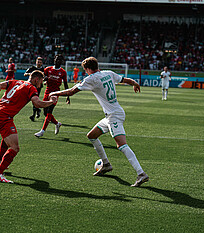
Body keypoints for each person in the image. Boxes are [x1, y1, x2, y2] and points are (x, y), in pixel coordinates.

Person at [49, 57, 149, 187]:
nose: (86, 73)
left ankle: (141, 174)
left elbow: (72, 91)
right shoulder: (108, 73)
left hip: (114, 116)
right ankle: (106, 164)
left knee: (121, 145)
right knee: (92, 136)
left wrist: (55, 93)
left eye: (85, 70)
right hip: (112, 114)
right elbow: (125, 80)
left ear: (88, 69)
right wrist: (135, 83)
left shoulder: (92, 79)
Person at [0, 70, 58, 183]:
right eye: (40, 82)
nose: (41, 85)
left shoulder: (16, 82)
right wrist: (50, 102)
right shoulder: (31, 88)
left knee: (8, 138)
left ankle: (0, 161)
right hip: (4, 116)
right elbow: (37, 103)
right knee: (15, 147)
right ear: (36, 79)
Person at [34, 54, 70, 137]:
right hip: (47, 92)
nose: (57, 61)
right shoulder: (48, 69)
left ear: (61, 62)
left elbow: (65, 84)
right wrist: (44, 80)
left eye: (59, 60)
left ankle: (42, 131)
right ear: (54, 60)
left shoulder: (63, 72)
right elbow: (43, 77)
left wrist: (68, 96)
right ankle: (57, 123)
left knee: (49, 111)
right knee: (45, 112)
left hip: (55, 93)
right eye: (56, 59)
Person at [25, 57, 45, 121]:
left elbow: (46, 76)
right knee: (32, 99)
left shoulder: (43, 69)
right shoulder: (32, 68)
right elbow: (25, 74)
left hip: (38, 86)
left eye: (40, 62)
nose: (39, 63)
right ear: (36, 62)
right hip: (32, 86)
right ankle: (38, 110)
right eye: (38, 62)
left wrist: (44, 80)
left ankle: (33, 115)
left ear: (42, 63)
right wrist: (30, 74)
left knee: (34, 99)